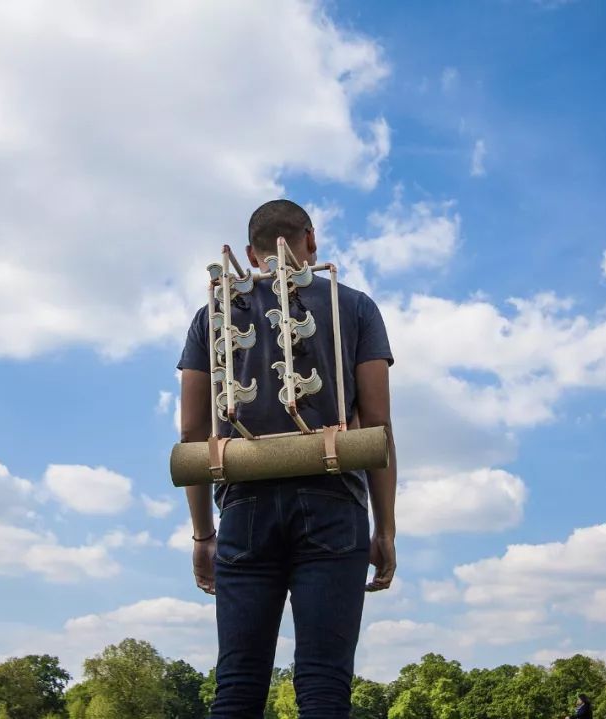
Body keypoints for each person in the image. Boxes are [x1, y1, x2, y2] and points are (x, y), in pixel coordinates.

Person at [178, 199, 397, 718]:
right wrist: (384, 528)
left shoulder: (213, 314)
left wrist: (204, 535)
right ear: (312, 241)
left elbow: (192, 431)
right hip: (333, 498)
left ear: (252, 256)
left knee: (237, 684)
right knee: (322, 684)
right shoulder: (357, 306)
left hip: (244, 504)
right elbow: (378, 428)